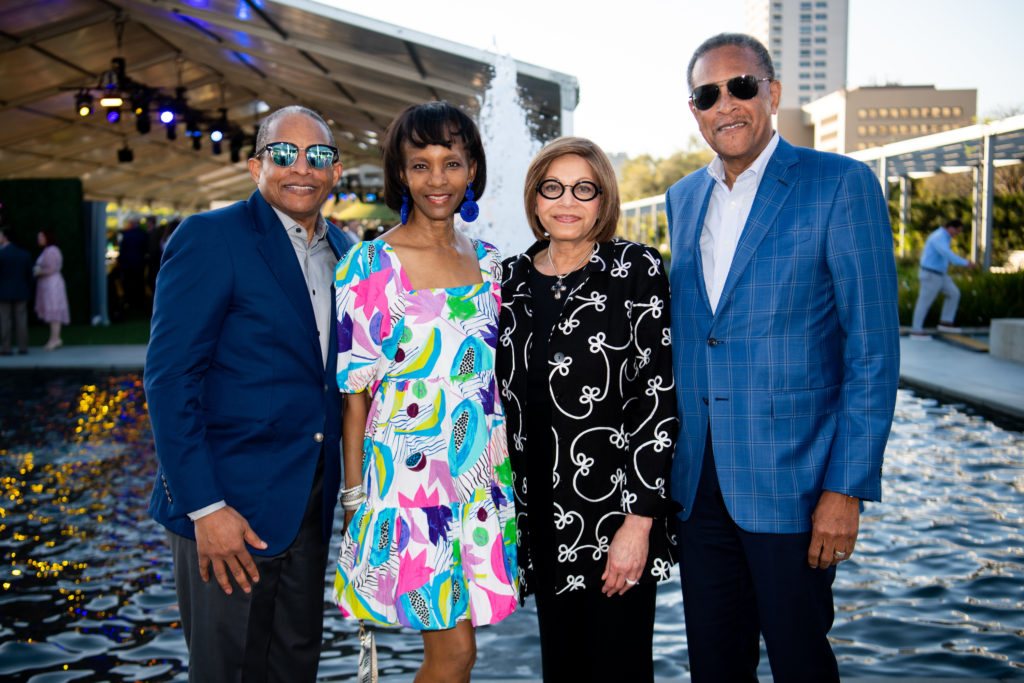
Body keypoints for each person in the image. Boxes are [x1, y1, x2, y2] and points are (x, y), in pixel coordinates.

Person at [665, 33, 900, 681]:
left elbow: (873, 352)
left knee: (801, 663)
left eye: (741, 86)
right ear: (695, 110)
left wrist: (845, 489)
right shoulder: (683, 198)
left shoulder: (841, 185)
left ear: (771, 93)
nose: (725, 104)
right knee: (715, 667)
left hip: (795, 487)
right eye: (707, 94)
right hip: (698, 489)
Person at [145, 105, 349, 682]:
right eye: (284, 154)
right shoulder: (211, 238)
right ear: (257, 166)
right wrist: (205, 508)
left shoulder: (347, 250)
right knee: (227, 673)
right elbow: (169, 379)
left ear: (335, 172)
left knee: (293, 668)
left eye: (318, 156)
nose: (302, 167)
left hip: (308, 507)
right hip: (225, 511)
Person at [332, 101, 517, 683]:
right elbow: (354, 397)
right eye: (421, 165)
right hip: (408, 486)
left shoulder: (491, 264)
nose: (438, 179)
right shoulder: (370, 265)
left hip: (479, 480)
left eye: (451, 163)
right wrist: (355, 501)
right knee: (456, 655)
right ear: (401, 173)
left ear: (472, 170)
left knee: (461, 656)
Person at [497, 137, 677, 681]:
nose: (567, 201)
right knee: (562, 669)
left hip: (614, 518)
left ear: (603, 200)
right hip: (541, 520)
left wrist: (639, 523)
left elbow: (656, 397)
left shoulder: (635, 268)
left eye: (584, 189)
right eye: (553, 188)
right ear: (535, 199)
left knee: (621, 670)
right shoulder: (509, 280)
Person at [911, 218, 975, 336]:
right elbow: (947, 254)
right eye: (957, 231)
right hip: (930, 274)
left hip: (941, 275)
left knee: (954, 293)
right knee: (924, 302)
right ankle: (916, 329)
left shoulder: (945, 237)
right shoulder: (938, 237)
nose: (957, 234)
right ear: (951, 227)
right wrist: (966, 263)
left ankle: (946, 322)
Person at [33, 229, 70, 351]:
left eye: (41, 237)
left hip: (52, 284)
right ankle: (54, 338)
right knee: (52, 311)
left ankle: (55, 339)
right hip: (48, 283)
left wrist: (39, 272)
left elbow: (52, 268)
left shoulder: (52, 251)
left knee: (54, 311)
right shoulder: (48, 250)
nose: (39, 239)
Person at [0, 227, 33, 355]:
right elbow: (29, 276)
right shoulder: (24, 254)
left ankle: (6, 348)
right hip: (21, 291)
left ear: (5, 237)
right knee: (21, 320)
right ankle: (23, 347)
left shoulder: (1, 254)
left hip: (3, 292)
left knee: (5, 321)